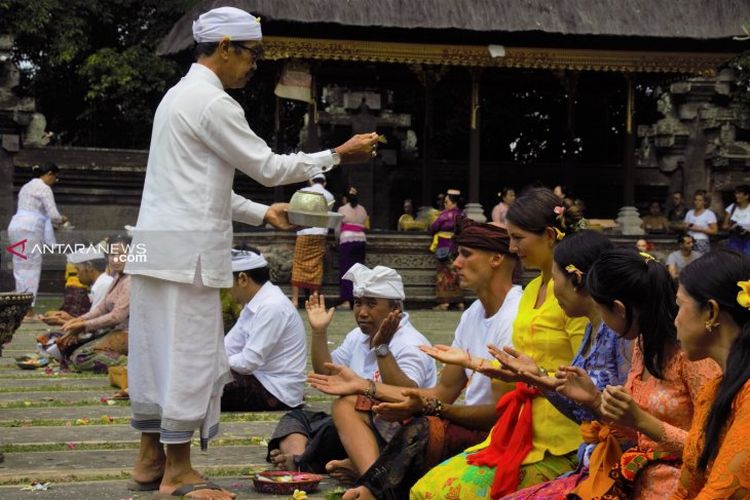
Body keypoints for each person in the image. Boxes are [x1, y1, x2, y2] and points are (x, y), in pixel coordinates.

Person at [123, 6, 379, 498]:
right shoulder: (213, 102)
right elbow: (267, 166)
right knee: (187, 356)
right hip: (188, 256)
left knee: (156, 354)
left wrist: (263, 214)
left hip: (160, 247)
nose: (253, 65)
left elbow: (199, 187)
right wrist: (337, 154)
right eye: (251, 55)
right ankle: (177, 473)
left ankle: (150, 458)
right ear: (224, 48)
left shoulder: (177, 97)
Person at [312, 216, 522, 500]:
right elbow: (441, 392)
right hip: (464, 426)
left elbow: (498, 415)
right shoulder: (472, 314)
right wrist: (364, 386)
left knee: (425, 428)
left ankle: (374, 486)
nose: (456, 263)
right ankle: (372, 479)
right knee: (329, 415)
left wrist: (434, 408)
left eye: (466, 254)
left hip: (501, 437)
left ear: (497, 259)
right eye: (359, 303)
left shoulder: (514, 317)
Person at [410, 187, 588, 499]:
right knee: (426, 488)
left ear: (549, 235)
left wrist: (531, 376)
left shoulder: (573, 292)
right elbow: (521, 368)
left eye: (518, 238)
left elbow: (584, 374)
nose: (512, 246)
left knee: (445, 493)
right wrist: (473, 364)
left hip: (561, 441)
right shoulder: (533, 289)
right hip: (516, 430)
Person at [548, 248, 720, 498]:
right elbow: (636, 432)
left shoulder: (692, 357)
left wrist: (640, 419)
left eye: (601, 310)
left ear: (619, 308)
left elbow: (710, 449)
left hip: (682, 484)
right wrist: (594, 400)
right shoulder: (643, 344)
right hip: (642, 477)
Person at [480, 231, 632, 499]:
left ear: (575, 279)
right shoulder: (591, 330)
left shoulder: (622, 337)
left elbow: (631, 421)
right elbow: (582, 410)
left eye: (555, 278)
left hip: (613, 469)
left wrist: (545, 382)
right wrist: (537, 377)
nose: (552, 289)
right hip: (590, 462)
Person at [267, 264, 436, 476]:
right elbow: (327, 374)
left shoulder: (411, 343)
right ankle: (306, 457)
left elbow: (406, 396)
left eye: (371, 304)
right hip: (360, 425)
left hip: (393, 431)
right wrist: (319, 332)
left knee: (343, 409)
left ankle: (310, 463)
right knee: (297, 418)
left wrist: (381, 347)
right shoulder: (358, 336)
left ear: (396, 309)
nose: (362, 312)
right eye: (358, 303)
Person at [670, 250, 750, 499]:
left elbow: (723, 493)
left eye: (680, 306)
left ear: (711, 313)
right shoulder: (714, 390)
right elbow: (686, 489)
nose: (675, 321)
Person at [221, 248, 306, 412]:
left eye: (228, 282)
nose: (228, 290)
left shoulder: (272, 306)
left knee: (200, 387)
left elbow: (248, 362)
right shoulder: (254, 303)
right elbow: (228, 346)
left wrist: (215, 363)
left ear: (243, 279)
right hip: (259, 379)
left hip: (275, 391)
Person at [58, 237, 131, 373]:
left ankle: (132, 365)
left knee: (81, 357)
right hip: (116, 331)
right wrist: (79, 320)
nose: (115, 259)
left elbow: (116, 317)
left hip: (130, 334)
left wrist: (84, 325)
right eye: (112, 255)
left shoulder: (131, 280)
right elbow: (102, 307)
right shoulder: (117, 277)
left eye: (121, 254)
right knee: (73, 352)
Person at [7, 162, 67, 317]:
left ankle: (21, 303)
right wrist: (62, 220)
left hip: (15, 226)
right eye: (55, 178)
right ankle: (27, 308)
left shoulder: (25, 187)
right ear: (49, 174)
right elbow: (53, 215)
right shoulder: (44, 188)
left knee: (20, 265)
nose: (54, 182)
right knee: (32, 266)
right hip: (30, 229)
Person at [291, 173, 335, 307]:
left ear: (311, 181)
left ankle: (295, 300)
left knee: (298, 264)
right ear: (324, 182)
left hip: (303, 232)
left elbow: (294, 210)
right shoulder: (329, 196)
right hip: (320, 234)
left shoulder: (302, 192)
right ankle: (314, 299)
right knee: (316, 266)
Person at [41, 250, 113, 327]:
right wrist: (68, 318)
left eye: (78, 270)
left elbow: (95, 325)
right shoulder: (101, 283)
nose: (77, 275)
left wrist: (61, 321)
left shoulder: (103, 285)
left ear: (89, 267)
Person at [429, 189, 464, 311]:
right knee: (456, 273)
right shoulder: (461, 215)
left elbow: (433, 228)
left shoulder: (444, 215)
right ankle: (458, 301)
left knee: (444, 274)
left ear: (452, 202)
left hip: (444, 246)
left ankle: (445, 302)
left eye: (446, 201)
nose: (445, 204)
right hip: (456, 247)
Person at [336, 186, 369, 310]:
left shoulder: (342, 209)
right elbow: (365, 225)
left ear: (346, 198)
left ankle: (346, 300)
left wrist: (336, 239)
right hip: (361, 240)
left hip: (347, 240)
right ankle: (358, 299)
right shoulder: (363, 210)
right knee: (359, 271)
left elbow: (337, 228)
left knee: (346, 271)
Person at [722, 184, 750, 255]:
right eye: (736, 193)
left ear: (746, 196)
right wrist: (731, 228)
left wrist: (748, 230)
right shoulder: (732, 207)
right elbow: (724, 226)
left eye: (739, 193)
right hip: (734, 239)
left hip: (748, 240)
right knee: (734, 261)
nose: (736, 195)